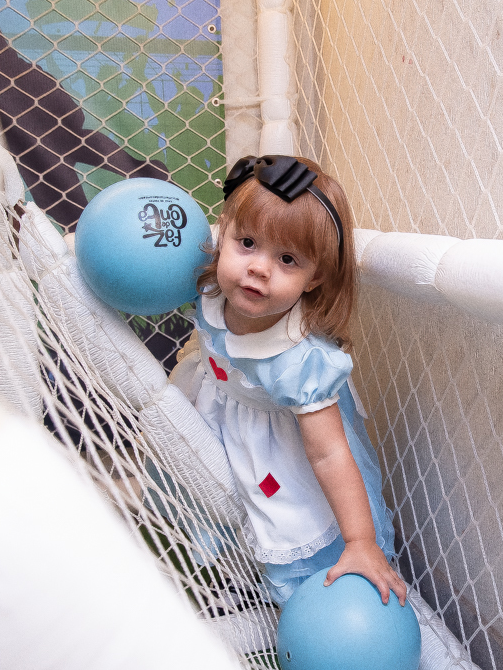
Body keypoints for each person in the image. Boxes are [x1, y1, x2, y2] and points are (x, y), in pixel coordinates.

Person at [170, 155, 406, 607]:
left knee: (290, 526)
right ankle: (236, 573)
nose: (259, 268)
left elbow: (330, 452)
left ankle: (316, 588)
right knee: (226, 506)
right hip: (219, 414)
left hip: (285, 451)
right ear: (222, 235)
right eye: (247, 242)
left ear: (314, 277)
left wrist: (360, 541)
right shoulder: (209, 289)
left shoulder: (300, 362)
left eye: (287, 259)